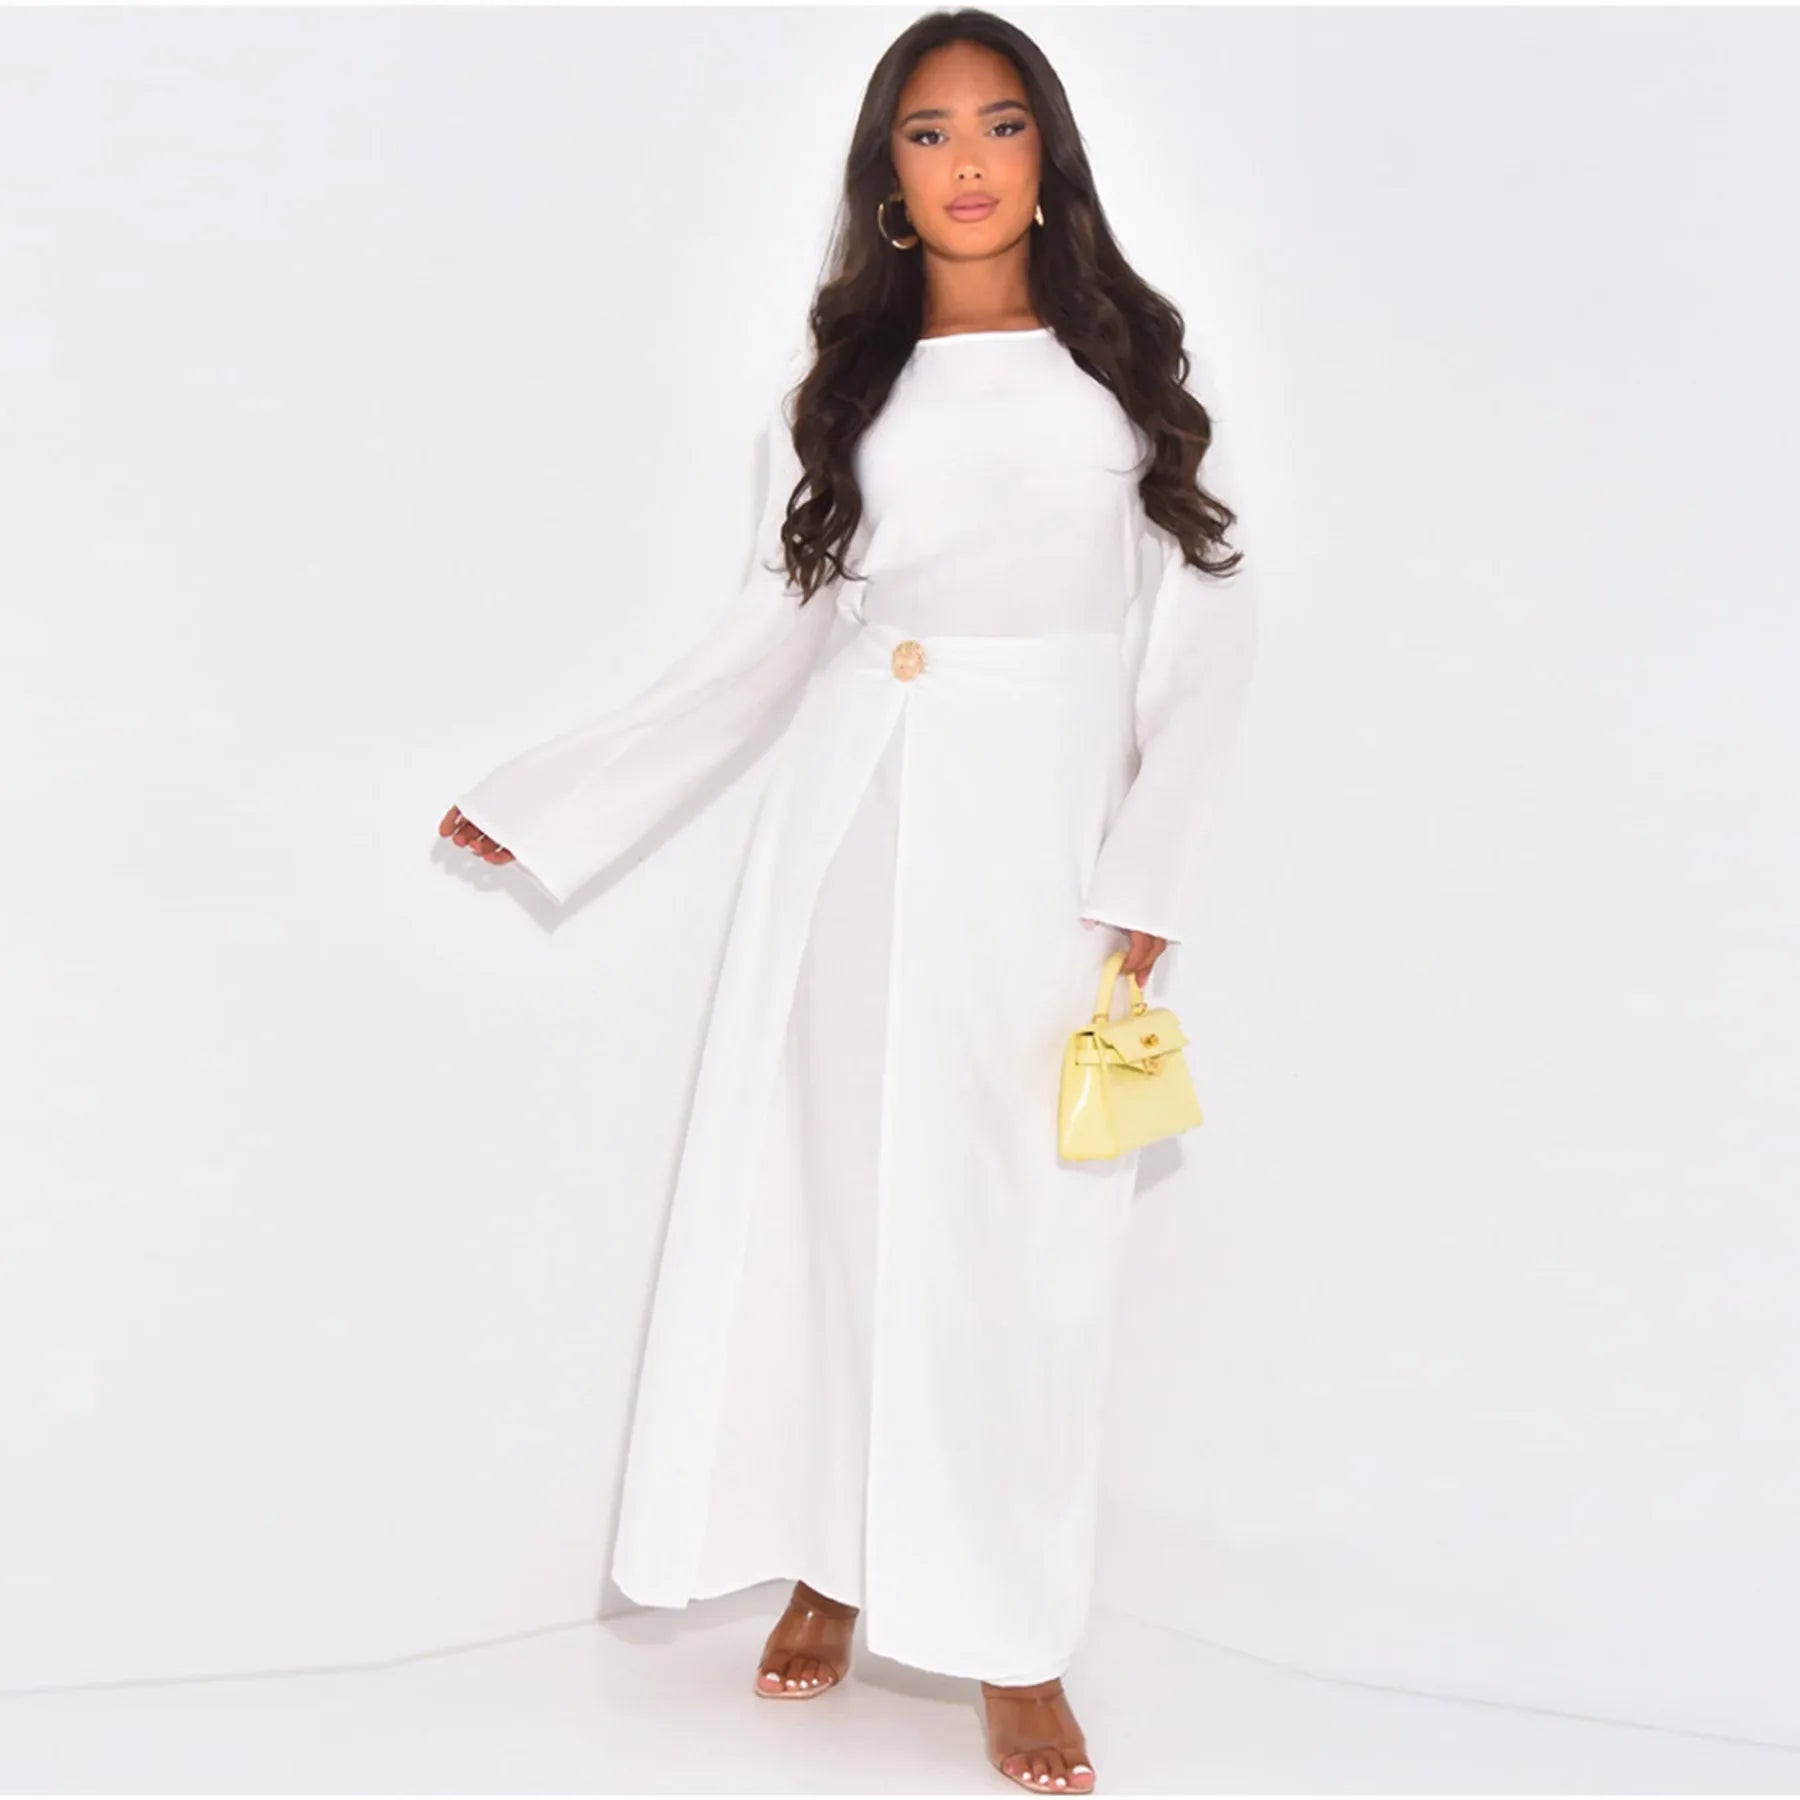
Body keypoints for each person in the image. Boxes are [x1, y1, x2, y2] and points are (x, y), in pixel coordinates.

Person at [439, 11, 1260, 1792]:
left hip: (1043, 846)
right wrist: (552, 796)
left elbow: (1207, 629)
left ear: (1049, 156)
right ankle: (831, 1559)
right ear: (887, 174)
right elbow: (767, 636)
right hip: (855, 819)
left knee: (1027, 1240)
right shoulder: (846, 392)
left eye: (1000, 123)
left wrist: (1146, 877)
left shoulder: (1127, 373)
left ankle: (1016, 1639)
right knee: (832, 1199)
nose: (966, 161)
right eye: (927, 131)